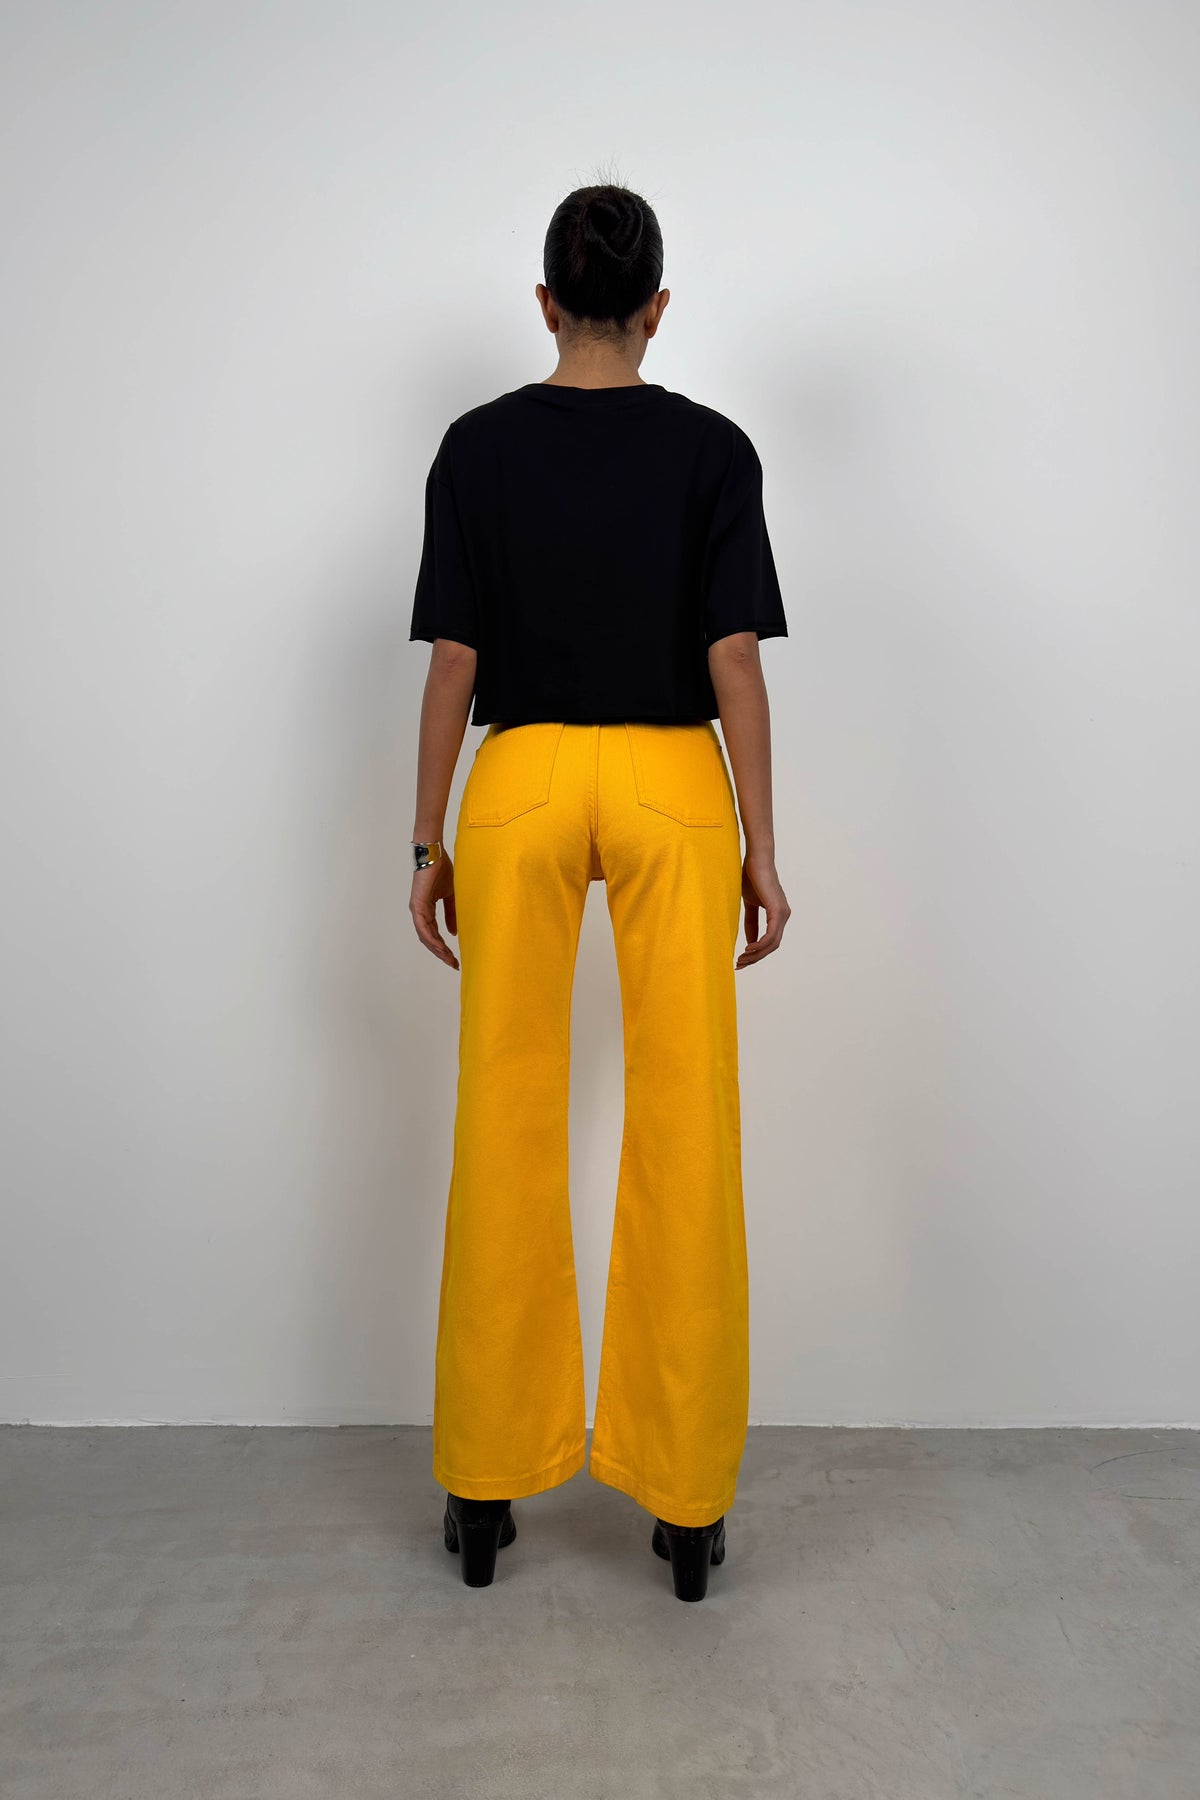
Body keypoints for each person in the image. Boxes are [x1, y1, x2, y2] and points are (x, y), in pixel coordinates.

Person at [408, 183, 791, 1601]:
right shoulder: (713, 450)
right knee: (687, 1118)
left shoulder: (477, 447)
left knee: (503, 1110)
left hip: (515, 780)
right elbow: (733, 658)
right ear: (658, 307)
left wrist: (425, 839)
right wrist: (761, 845)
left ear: (546, 300)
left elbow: (455, 659)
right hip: (669, 783)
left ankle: (482, 1484)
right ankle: (685, 1503)